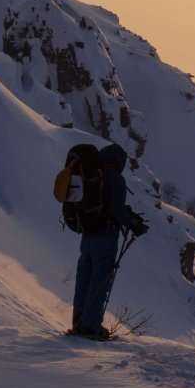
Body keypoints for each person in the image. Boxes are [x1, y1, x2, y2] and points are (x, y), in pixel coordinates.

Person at [71, 143, 147, 338]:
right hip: (105, 237)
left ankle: (79, 323)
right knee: (99, 282)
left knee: (84, 280)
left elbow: (105, 204)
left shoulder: (92, 173)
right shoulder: (115, 178)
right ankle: (91, 327)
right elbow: (115, 210)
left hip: (87, 235)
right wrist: (133, 223)